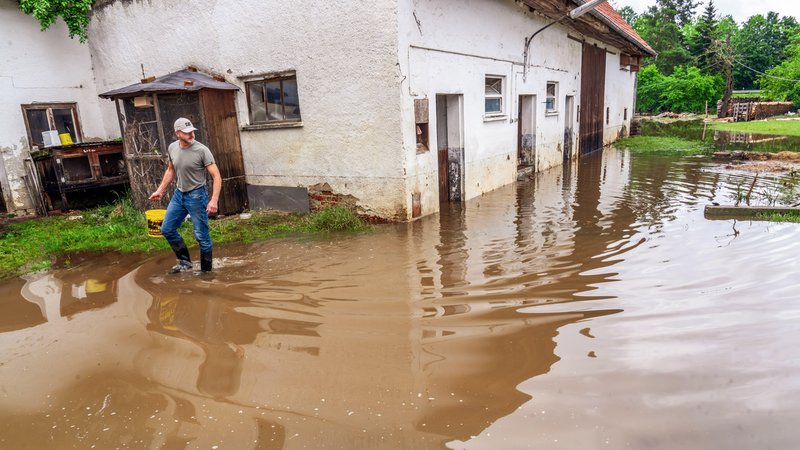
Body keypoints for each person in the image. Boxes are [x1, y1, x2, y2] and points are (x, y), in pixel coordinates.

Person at [149, 117, 222, 273]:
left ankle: (206, 271)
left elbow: (217, 176)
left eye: (192, 131)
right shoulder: (172, 148)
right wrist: (160, 191)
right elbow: (170, 170)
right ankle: (184, 262)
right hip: (179, 194)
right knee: (167, 229)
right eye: (187, 132)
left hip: (197, 195)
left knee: (201, 236)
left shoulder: (202, 150)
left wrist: (213, 200)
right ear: (178, 133)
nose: (191, 135)